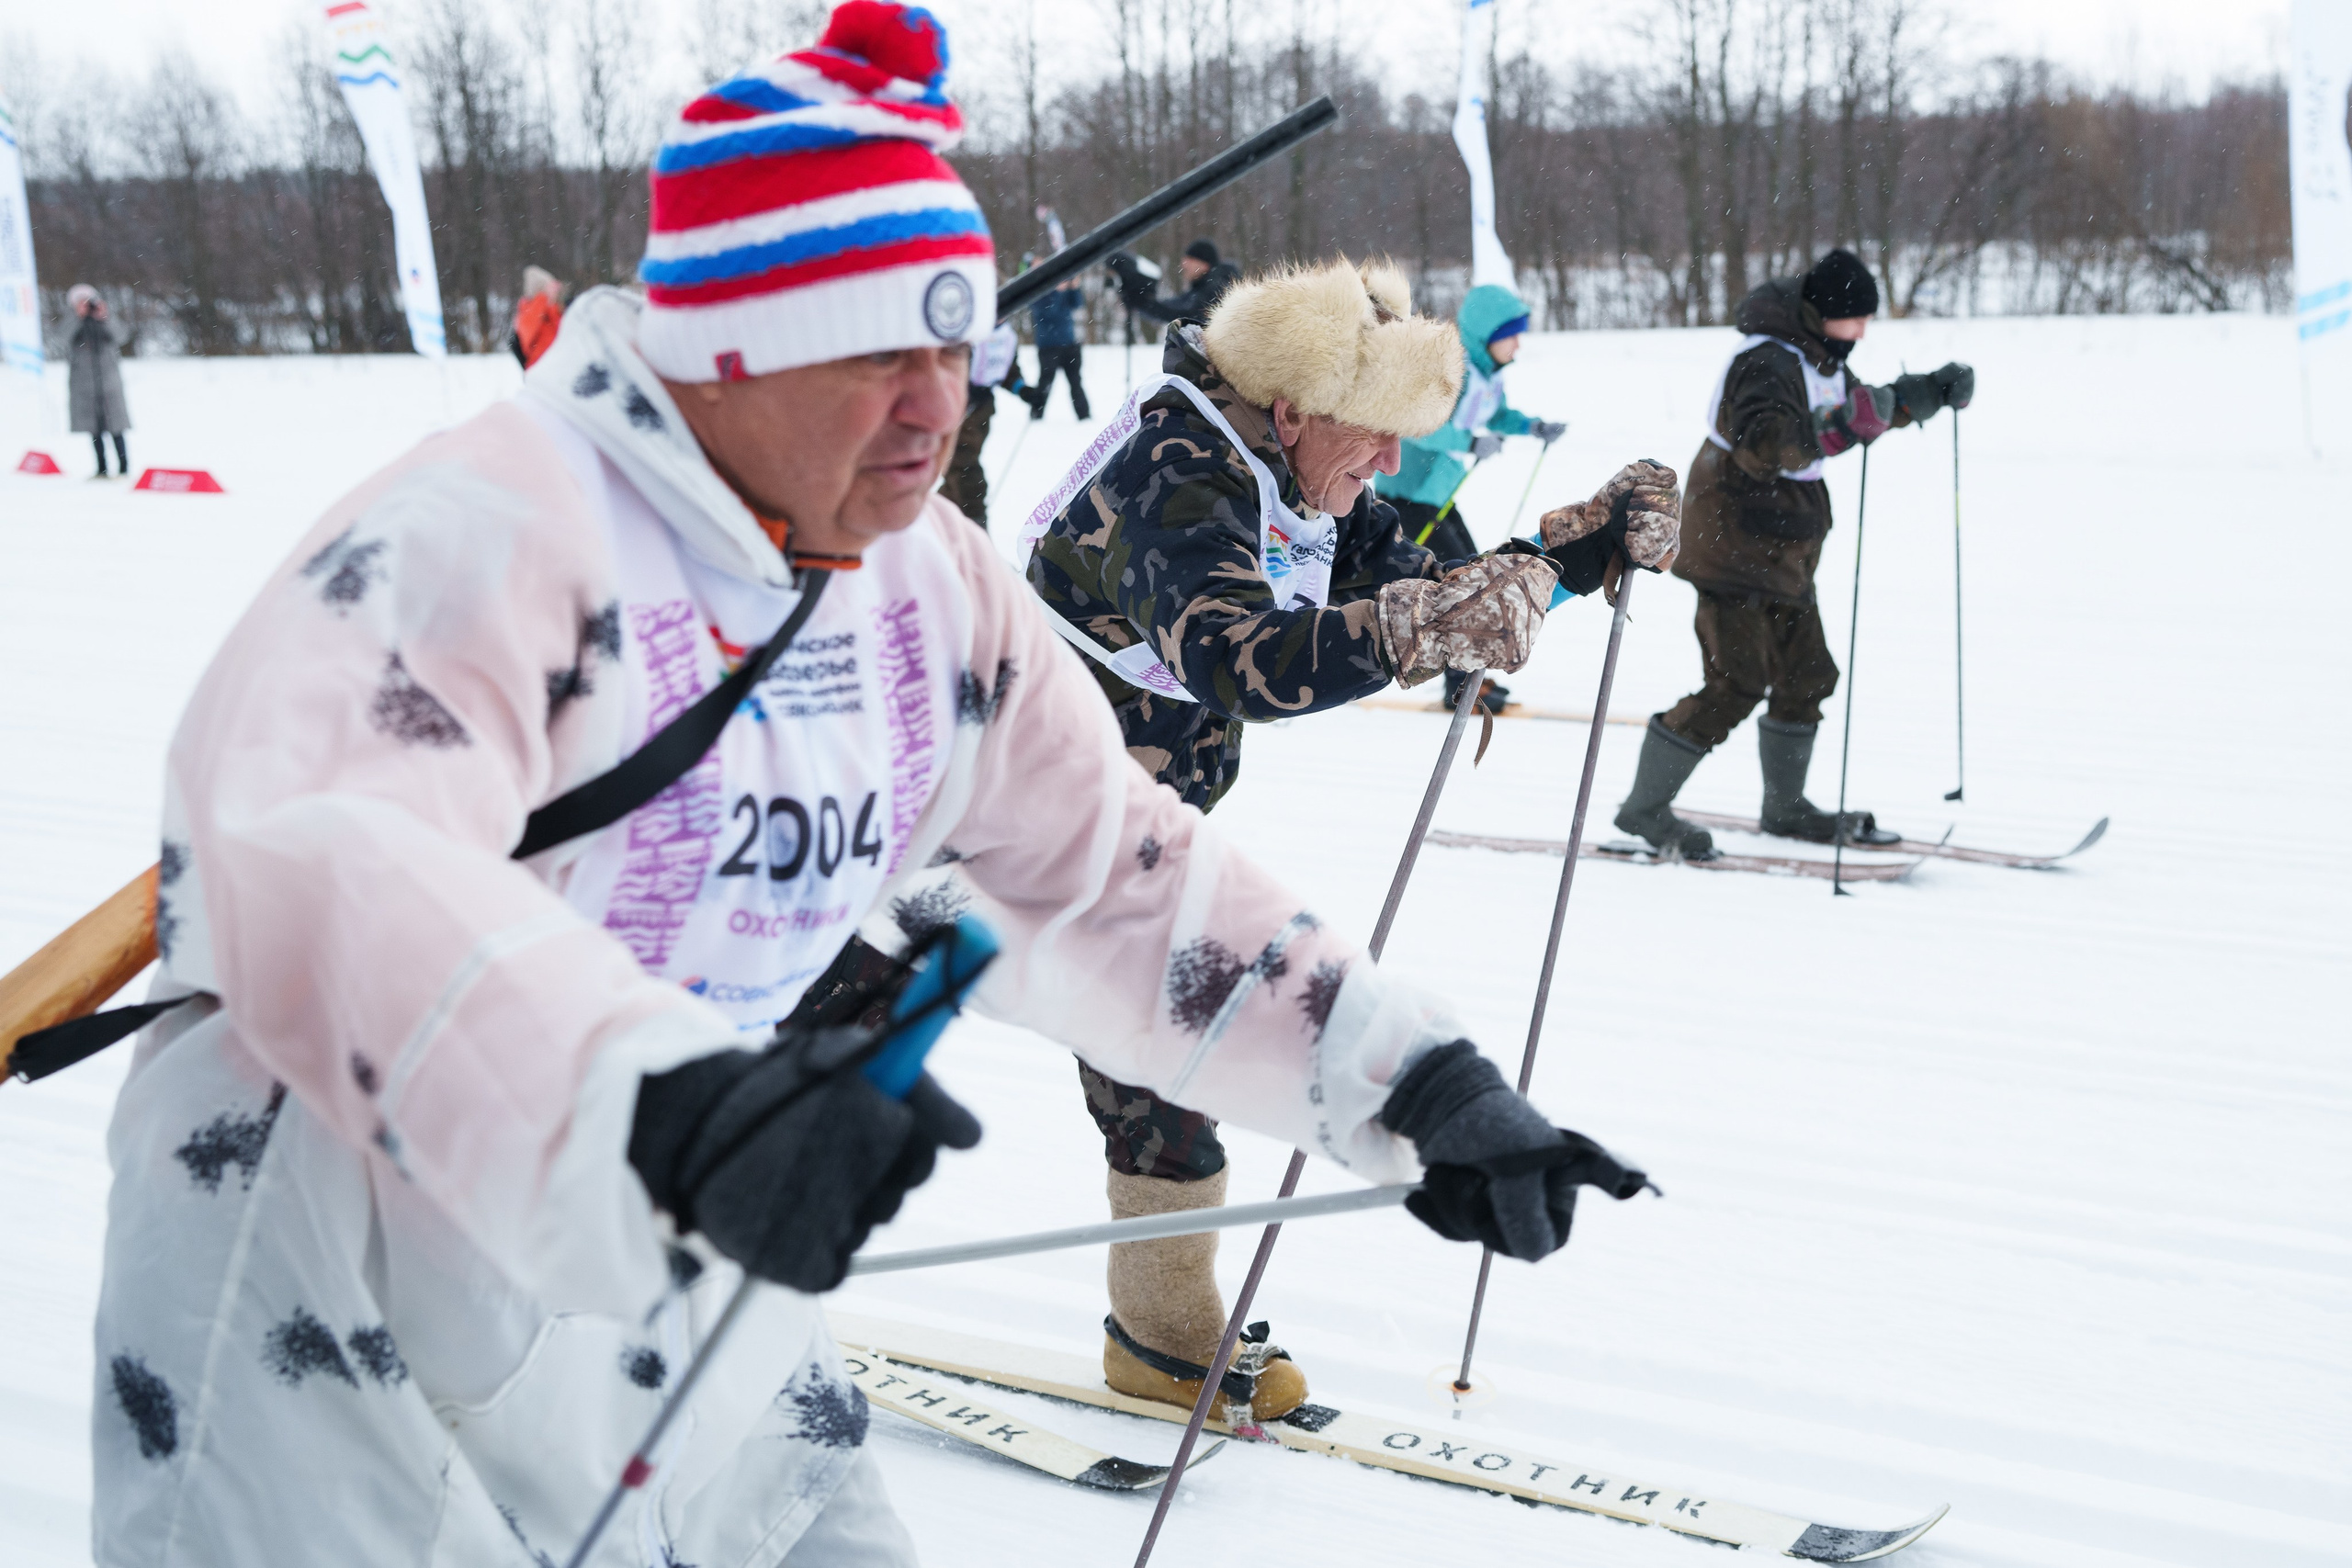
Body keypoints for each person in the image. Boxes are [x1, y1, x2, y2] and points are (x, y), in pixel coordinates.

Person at [89, 10, 1645, 1564]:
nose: (936, 406)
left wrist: (1406, 1080)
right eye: (874, 353)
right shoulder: (484, 540)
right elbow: (327, 874)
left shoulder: (923, 586)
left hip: (692, 1232)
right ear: (725, 352)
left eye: (952, 349)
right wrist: (660, 1106)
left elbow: (1102, 877)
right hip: (341, 1284)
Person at [1023, 255, 1679, 1424]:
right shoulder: (1176, 474)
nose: (1386, 463)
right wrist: (1420, 626)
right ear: (1291, 406)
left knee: (1150, 1037)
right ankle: (1157, 1331)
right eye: (1372, 437)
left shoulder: (1291, 467)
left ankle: (1158, 1327)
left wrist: (1572, 555)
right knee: (1153, 1032)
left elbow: (1423, 581)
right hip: (1014, 803)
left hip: (1139, 801)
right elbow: (1242, 658)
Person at [1615, 248, 1973, 859]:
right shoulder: (1765, 360)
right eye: (1856, 318)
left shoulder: (1820, 355)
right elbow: (1765, 442)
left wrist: (1930, 392)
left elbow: (1865, 410)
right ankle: (1644, 810)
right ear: (1824, 312)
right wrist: (1835, 429)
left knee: (1808, 673)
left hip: (1783, 548)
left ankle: (1785, 807)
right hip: (1732, 543)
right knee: (1736, 682)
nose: (1863, 330)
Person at [1375, 282, 1568, 715]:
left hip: (1439, 493)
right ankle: (1460, 684)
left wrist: (1532, 427)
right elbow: (1421, 420)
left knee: (1465, 578)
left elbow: (1494, 415)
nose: (1518, 343)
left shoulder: (1485, 375)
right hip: (1408, 495)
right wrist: (1470, 440)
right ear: (1486, 334)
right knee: (1458, 583)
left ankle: (1467, 680)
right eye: (1511, 333)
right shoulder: (1450, 370)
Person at [936, 319, 1037, 526]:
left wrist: (1023, 390)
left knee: (962, 465)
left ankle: (959, 520)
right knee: (959, 464)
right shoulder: (968, 328)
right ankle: (963, 521)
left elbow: (1007, 369)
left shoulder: (1005, 335)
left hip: (982, 409)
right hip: (956, 404)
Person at [66, 285, 130, 479]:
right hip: (84, 384)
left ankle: (124, 468)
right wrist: (77, 317)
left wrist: (105, 317)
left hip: (109, 382)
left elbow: (122, 336)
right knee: (93, 428)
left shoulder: (104, 318)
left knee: (116, 426)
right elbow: (62, 337)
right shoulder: (71, 320)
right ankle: (101, 468)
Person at [1109, 237, 1241, 325]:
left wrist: (1142, 303)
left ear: (1205, 264)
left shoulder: (1219, 288)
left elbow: (1187, 316)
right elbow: (1176, 304)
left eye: (1190, 260)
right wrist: (1144, 303)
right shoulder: (1202, 287)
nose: (1183, 265)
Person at [1025, 260, 1088, 419]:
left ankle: (1084, 416)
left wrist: (1074, 288)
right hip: (1048, 346)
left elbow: (1077, 303)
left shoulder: (1057, 285)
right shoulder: (1034, 290)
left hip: (1069, 343)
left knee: (1076, 382)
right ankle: (1036, 414)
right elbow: (1048, 311)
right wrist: (1057, 291)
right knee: (1045, 383)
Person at [510, 265, 567, 368]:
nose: (555, 293)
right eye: (551, 288)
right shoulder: (528, 311)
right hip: (540, 369)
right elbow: (527, 332)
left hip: (557, 366)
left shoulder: (553, 310)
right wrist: (543, 298)